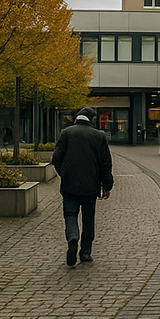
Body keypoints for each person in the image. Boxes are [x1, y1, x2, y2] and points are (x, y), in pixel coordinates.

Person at [52, 107, 114, 267]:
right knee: (88, 218)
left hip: (70, 184)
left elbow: (56, 159)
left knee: (70, 215)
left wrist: (65, 174)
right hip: (91, 186)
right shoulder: (99, 136)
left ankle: (73, 237)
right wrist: (107, 185)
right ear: (92, 120)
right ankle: (85, 252)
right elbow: (105, 163)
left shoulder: (66, 133)